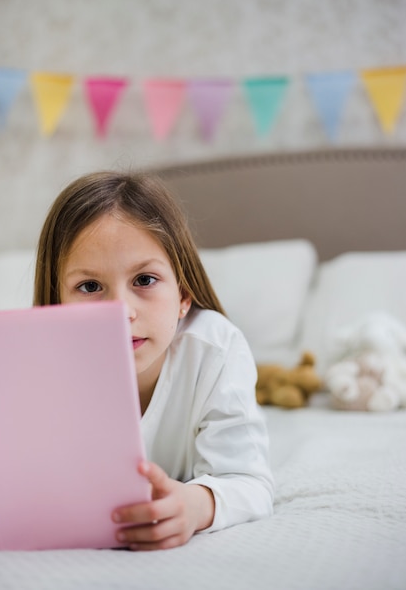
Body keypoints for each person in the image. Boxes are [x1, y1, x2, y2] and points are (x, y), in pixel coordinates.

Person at [33, 170, 274, 551]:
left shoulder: (215, 350)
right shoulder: (34, 366)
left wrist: (195, 506)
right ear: (56, 302)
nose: (121, 311)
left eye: (144, 280)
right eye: (90, 286)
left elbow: (250, 482)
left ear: (183, 294)